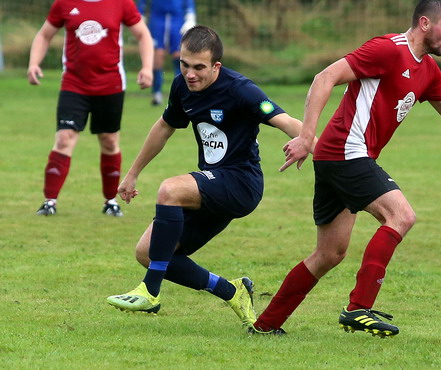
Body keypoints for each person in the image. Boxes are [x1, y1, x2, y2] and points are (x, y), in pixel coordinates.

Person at [248, 0, 441, 337]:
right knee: (401, 216)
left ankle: (266, 325)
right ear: (425, 23)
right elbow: (324, 78)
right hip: (345, 151)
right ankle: (358, 309)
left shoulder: (428, 71)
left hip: (339, 156)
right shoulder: (388, 49)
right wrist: (305, 136)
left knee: (329, 254)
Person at [106, 25, 306, 328]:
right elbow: (164, 127)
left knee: (170, 189)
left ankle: (150, 291)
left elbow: (285, 120)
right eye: (184, 65)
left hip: (241, 183)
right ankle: (232, 291)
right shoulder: (182, 86)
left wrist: (313, 144)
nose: (190, 74)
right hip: (212, 183)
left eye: (199, 67)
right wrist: (132, 174)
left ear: (216, 66)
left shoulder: (241, 89)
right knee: (148, 253)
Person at [27, 0, 153, 217]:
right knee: (64, 138)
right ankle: (49, 202)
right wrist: (34, 63)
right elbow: (44, 35)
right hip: (74, 84)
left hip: (110, 84)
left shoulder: (120, 0)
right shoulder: (65, 1)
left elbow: (143, 35)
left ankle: (111, 202)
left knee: (109, 140)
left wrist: (146, 67)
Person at [138, 0, 196, 106]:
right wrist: (140, 14)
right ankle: (156, 93)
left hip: (177, 17)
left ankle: (180, 94)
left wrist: (190, 15)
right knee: (157, 55)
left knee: (179, 54)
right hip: (157, 17)